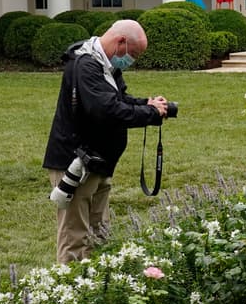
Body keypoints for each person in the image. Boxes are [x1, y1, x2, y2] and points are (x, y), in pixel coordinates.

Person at [43, 19, 169, 264]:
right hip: (75, 162)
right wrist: (150, 114)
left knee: (100, 233)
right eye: (133, 54)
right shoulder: (86, 65)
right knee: (75, 237)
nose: (132, 60)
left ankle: (97, 289)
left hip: (98, 162)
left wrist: (147, 104)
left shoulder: (106, 65)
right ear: (120, 42)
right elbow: (106, 111)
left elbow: (119, 99)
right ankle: (68, 292)